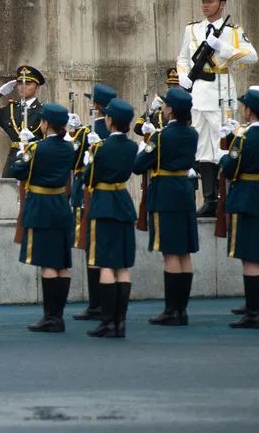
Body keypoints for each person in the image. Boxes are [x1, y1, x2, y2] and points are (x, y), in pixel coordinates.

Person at [175, 0, 257, 217]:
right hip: (198, 92)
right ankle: (209, 200)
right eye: (203, 1)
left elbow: (252, 57)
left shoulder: (232, 31)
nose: (205, 5)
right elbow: (183, 58)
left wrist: (223, 47)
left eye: (210, 1)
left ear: (222, 4)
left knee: (224, 145)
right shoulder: (192, 29)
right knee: (202, 147)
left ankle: (227, 198)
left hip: (221, 92)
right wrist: (183, 76)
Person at [133, 87, 200, 326]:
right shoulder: (192, 134)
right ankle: (182, 310)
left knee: (170, 251)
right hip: (185, 191)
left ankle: (172, 310)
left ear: (170, 109)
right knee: (184, 252)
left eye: (165, 104)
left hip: (166, 193)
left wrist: (144, 148)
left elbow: (139, 166)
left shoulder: (160, 137)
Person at [9, 102, 74, 333]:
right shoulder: (69, 148)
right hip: (61, 205)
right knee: (62, 263)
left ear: (45, 123)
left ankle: (51, 317)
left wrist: (22, 153)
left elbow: (17, 171)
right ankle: (58, 316)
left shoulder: (37, 149)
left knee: (48, 263)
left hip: (42, 207)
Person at [83, 98, 138, 338]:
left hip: (104, 203)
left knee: (105, 263)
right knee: (122, 265)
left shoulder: (100, 148)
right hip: (123, 202)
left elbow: (89, 179)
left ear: (110, 120)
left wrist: (89, 160)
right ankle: (120, 322)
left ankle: (107, 322)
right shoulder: (132, 147)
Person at [220, 86, 259, 329]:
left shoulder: (244, 137)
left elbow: (230, 168)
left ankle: (253, 314)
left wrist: (225, 153)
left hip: (247, 196)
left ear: (250, 110)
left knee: (251, 257)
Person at [71, 82, 117, 322]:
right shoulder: (117, 134)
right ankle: (108, 305)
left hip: (90, 193)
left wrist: (71, 137)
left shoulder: (88, 132)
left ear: (96, 106)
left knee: (92, 249)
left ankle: (96, 305)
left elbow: (75, 161)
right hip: (113, 196)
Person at [0, 65, 45, 175]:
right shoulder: (10, 109)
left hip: (35, 158)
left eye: (27, 83)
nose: (23, 86)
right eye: (20, 83)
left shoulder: (43, 110)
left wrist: (34, 139)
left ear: (37, 87)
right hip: (13, 159)